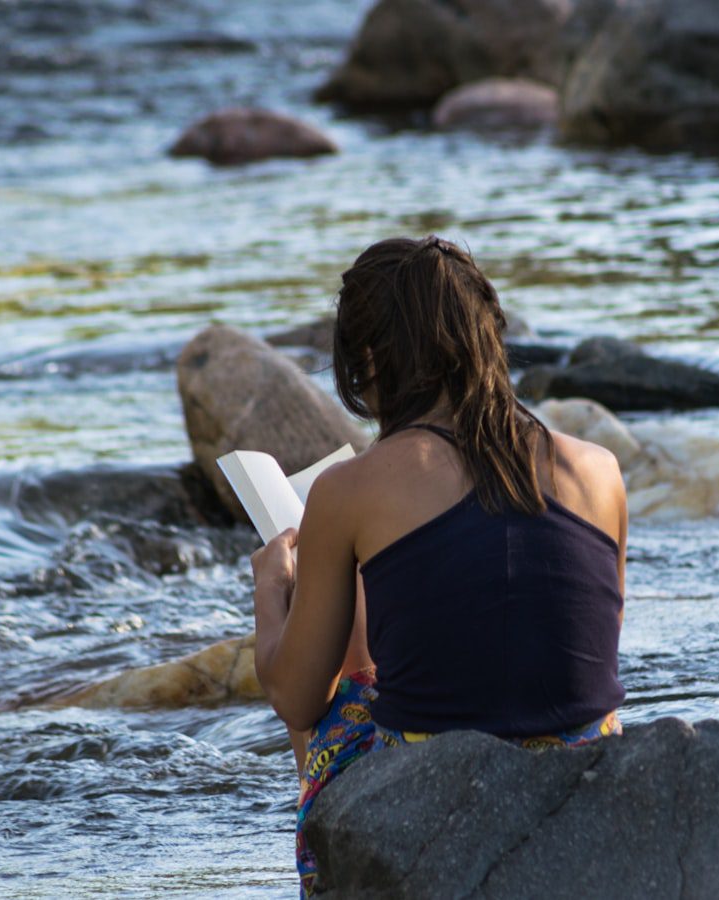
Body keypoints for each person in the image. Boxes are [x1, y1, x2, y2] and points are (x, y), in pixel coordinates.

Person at [248, 236, 628, 896]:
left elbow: (296, 696)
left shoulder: (350, 489)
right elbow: (576, 647)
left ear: (371, 358)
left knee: (339, 669)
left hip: (436, 801)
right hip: (591, 784)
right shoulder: (599, 470)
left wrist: (272, 588)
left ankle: (336, 882)